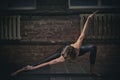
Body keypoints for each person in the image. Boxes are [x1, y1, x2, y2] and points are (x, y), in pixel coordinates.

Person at [11, 11, 100, 76]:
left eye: (66, 57)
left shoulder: (77, 46)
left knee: (93, 47)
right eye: (65, 57)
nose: (65, 59)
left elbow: (83, 33)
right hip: (60, 51)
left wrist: (89, 18)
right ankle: (22, 69)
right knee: (44, 60)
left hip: (77, 51)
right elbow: (48, 63)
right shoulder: (62, 57)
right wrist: (33, 68)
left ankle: (92, 71)